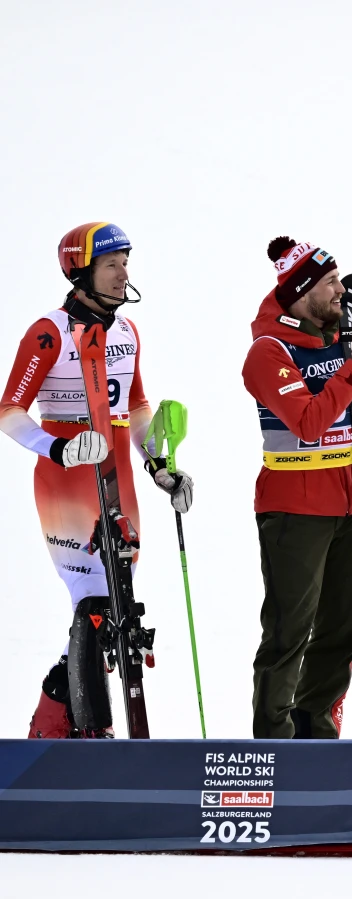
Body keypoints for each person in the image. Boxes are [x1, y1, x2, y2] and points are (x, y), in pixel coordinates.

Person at [2, 223, 193, 738]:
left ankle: (53, 723)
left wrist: (160, 465)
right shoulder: (49, 331)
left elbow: (136, 406)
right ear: (81, 270)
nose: (123, 274)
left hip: (119, 480)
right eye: (112, 264)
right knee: (92, 603)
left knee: (118, 605)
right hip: (67, 482)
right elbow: (10, 412)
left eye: (126, 262)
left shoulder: (127, 332)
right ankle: (91, 729)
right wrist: (58, 447)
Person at [240, 236, 352, 739]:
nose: (340, 291)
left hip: (351, 503)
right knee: (290, 630)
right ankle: (273, 739)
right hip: (294, 509)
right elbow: (308, 423)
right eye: (330, 283)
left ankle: (314, 726)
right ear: (302, 291)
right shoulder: (268, 352)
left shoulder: (341, 341)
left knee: (346, 623)